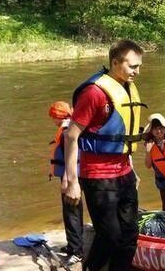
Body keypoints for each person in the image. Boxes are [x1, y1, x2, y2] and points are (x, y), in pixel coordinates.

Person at [62, 39, 146, 271]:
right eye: (132, 66)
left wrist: (133, 171)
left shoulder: (127, 88)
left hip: (125, 174)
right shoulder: (94, 93)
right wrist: (72, 182)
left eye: (139, 66)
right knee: (110, 236)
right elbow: (71, 136)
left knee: (129, 238)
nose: (137, 71)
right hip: (98, 176)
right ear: (115, 62)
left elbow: (123, 137)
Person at [48, 101, 84, 264]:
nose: (52, 120)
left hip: (70, 177)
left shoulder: (66, 132)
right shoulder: (71, 128)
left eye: (53, 116)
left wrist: (67, 180)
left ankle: (76, 250)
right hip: (72, 176)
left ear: (57, 116)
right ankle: (72, 245)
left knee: (72, 213)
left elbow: (73, 157)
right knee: (72, 212)